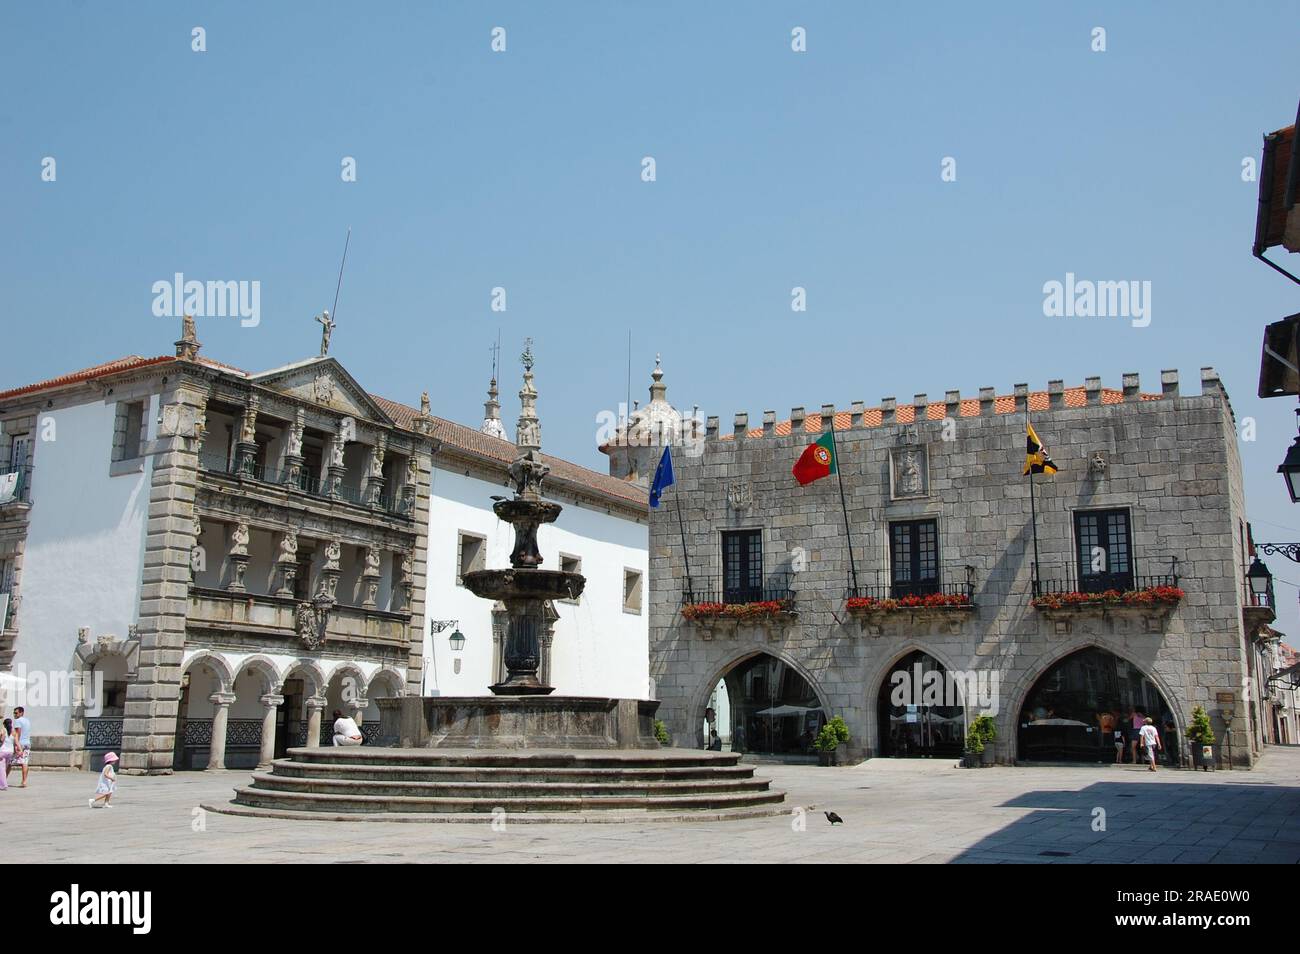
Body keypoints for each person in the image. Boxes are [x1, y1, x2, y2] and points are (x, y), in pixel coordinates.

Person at [12, 706, 31, 787]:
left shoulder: (17, 721)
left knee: (10, 762)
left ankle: (3, 780)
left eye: (16, 713)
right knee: (25, 763)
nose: (14, 715)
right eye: (14, 713)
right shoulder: (27, 720)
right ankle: (24, 781)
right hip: (27, 743)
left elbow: (18, 733)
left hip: (20, 744)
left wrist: (16, 744)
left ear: (21, 713)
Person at [0, 718, 12, 791]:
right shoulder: (13, 731)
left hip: (3, 751)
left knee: (1, 769)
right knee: (3, 769)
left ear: (4, 724)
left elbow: (2, 740)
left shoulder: (3, 729)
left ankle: (3, 785)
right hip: (10, 751)